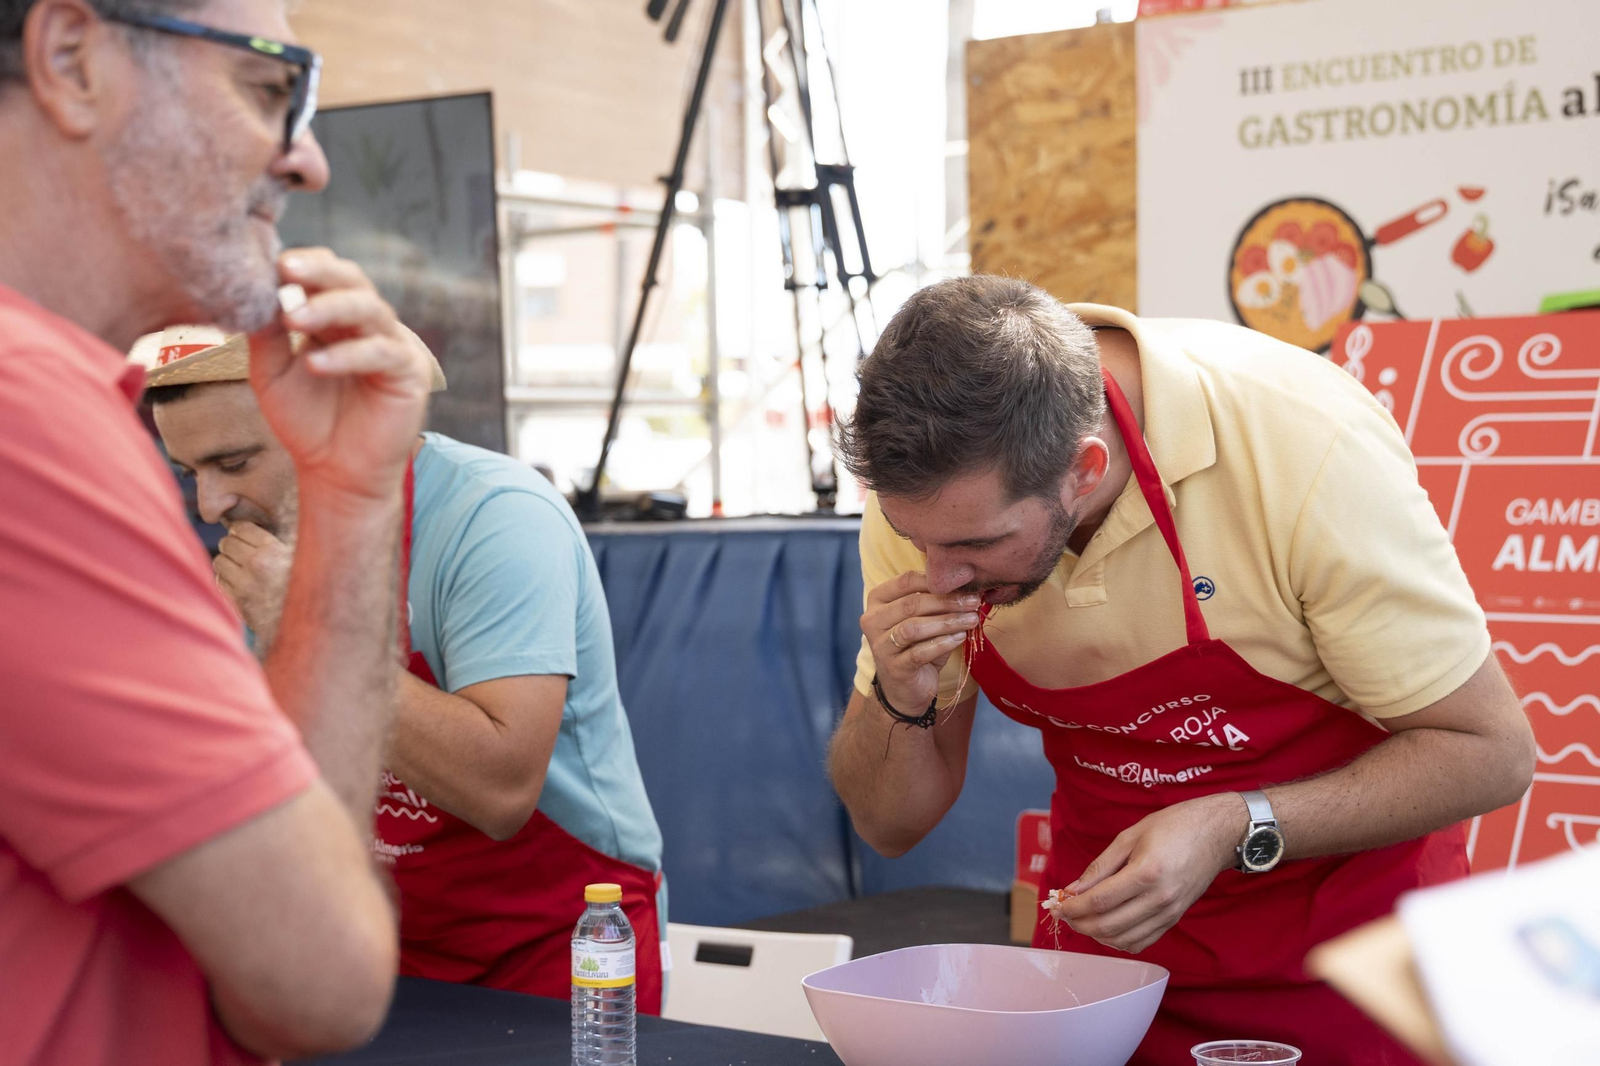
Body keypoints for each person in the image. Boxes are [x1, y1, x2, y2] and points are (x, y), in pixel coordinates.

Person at [828, 276, 1536, 1064]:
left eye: (978, 549)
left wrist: (1238, 821)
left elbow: (1491, 752)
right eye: (908, 534)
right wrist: (899, 698)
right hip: (1108, 979)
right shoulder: (939, 504)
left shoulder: (1302, 445)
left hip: (1355, 967)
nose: (940, 574)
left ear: (1082, 470)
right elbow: (890, 826)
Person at [0, 1, 435, 1063]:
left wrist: (347, 492)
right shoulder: (27, 425)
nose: (309, 160)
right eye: (268, 88)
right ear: (70, 59)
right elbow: (318, 982)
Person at [140, 329, 669, 1011]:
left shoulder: (495, 518)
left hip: (554, 946)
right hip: (385, 950)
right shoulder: (267, 558)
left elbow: (500, 790)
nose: (210, 506)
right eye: (190, 474)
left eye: (235, 463)